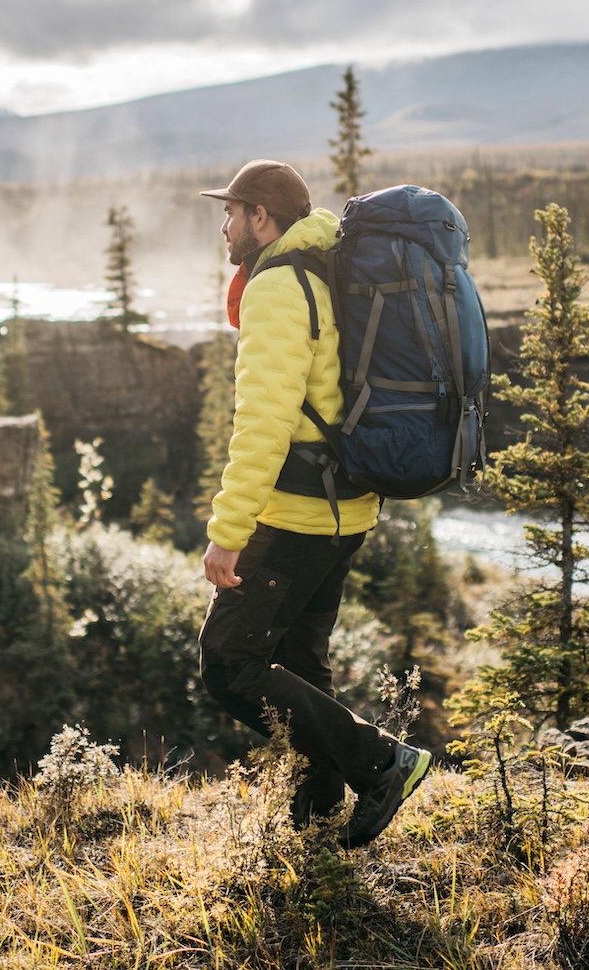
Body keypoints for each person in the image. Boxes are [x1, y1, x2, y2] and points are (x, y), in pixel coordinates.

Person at [196, 159, 431, 847]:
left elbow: (263, 423)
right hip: (347, 507)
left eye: (233, 211)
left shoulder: (276, 286)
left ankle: (382, 762)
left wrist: (229, 531)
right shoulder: (327, 269)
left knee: (227, 664)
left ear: (262, 218)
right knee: (301, 665)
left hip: (296, 515)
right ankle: (316, 816)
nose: (225, 224)